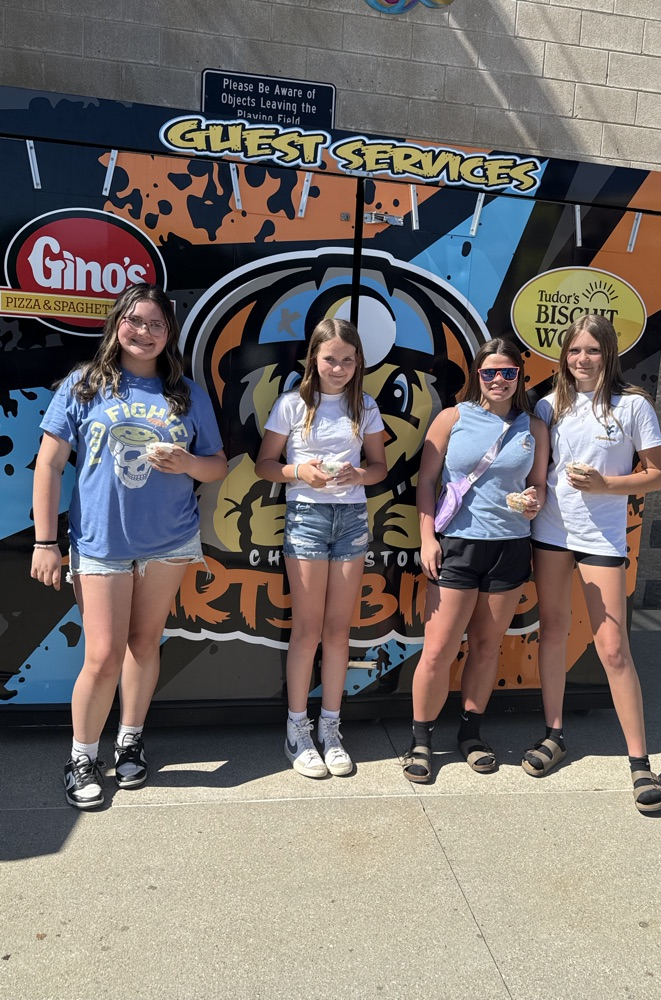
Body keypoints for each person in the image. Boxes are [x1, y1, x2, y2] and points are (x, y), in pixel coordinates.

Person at [31, 284, 227, 810]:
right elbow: (48, 465)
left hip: (168, 541)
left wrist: (187, 463)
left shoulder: (185, 393)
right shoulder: (84, 385)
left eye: (156, 325)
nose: (144, 332)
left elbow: (217, 465)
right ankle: (81, 755)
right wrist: (45, 541)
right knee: (101, 656)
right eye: (135, 321)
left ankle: (130, 740)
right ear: (118, 323)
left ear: (169, 336)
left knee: (144, 645)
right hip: (101, 543)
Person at [526, 313, 661, 814]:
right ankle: (554, 734)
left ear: (608, 353)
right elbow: (536, 470)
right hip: (550, 533)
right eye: (573, 351)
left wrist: (606, 485)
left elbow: (658, 476)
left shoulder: (633, 406)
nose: (582, 359)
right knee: (552, 632)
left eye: (591, 350)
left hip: (602, 538)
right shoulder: (548, 405)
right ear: (563, 356)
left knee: (613, 649)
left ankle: (640, 763)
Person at [402, 337, 549, 784]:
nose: (500, 380)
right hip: (458, 546)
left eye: (508, 372)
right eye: (490, 372)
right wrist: (427, 538)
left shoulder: (533, 427)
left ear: (519, 377)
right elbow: (425, 482)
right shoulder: (452, 418)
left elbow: (539, 484)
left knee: (487, 647)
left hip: (510, 546)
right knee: (439, 649)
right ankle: (421, 741)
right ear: (477, 376)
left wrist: (532, 501)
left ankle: (471, 734)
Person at [256, 318, 387, 778]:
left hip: (352, 518)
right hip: (307, 519)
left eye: (348, 360)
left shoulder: (365, 406)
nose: (338, 368)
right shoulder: (293, 404)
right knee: (307, 629)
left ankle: (331, 727)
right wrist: (300, 473)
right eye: (330, 358)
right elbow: (265, 465)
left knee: (338, 629)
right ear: (314, 357)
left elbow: (379, 468)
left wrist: (360, 476)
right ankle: (297, 729)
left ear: (358, 363)